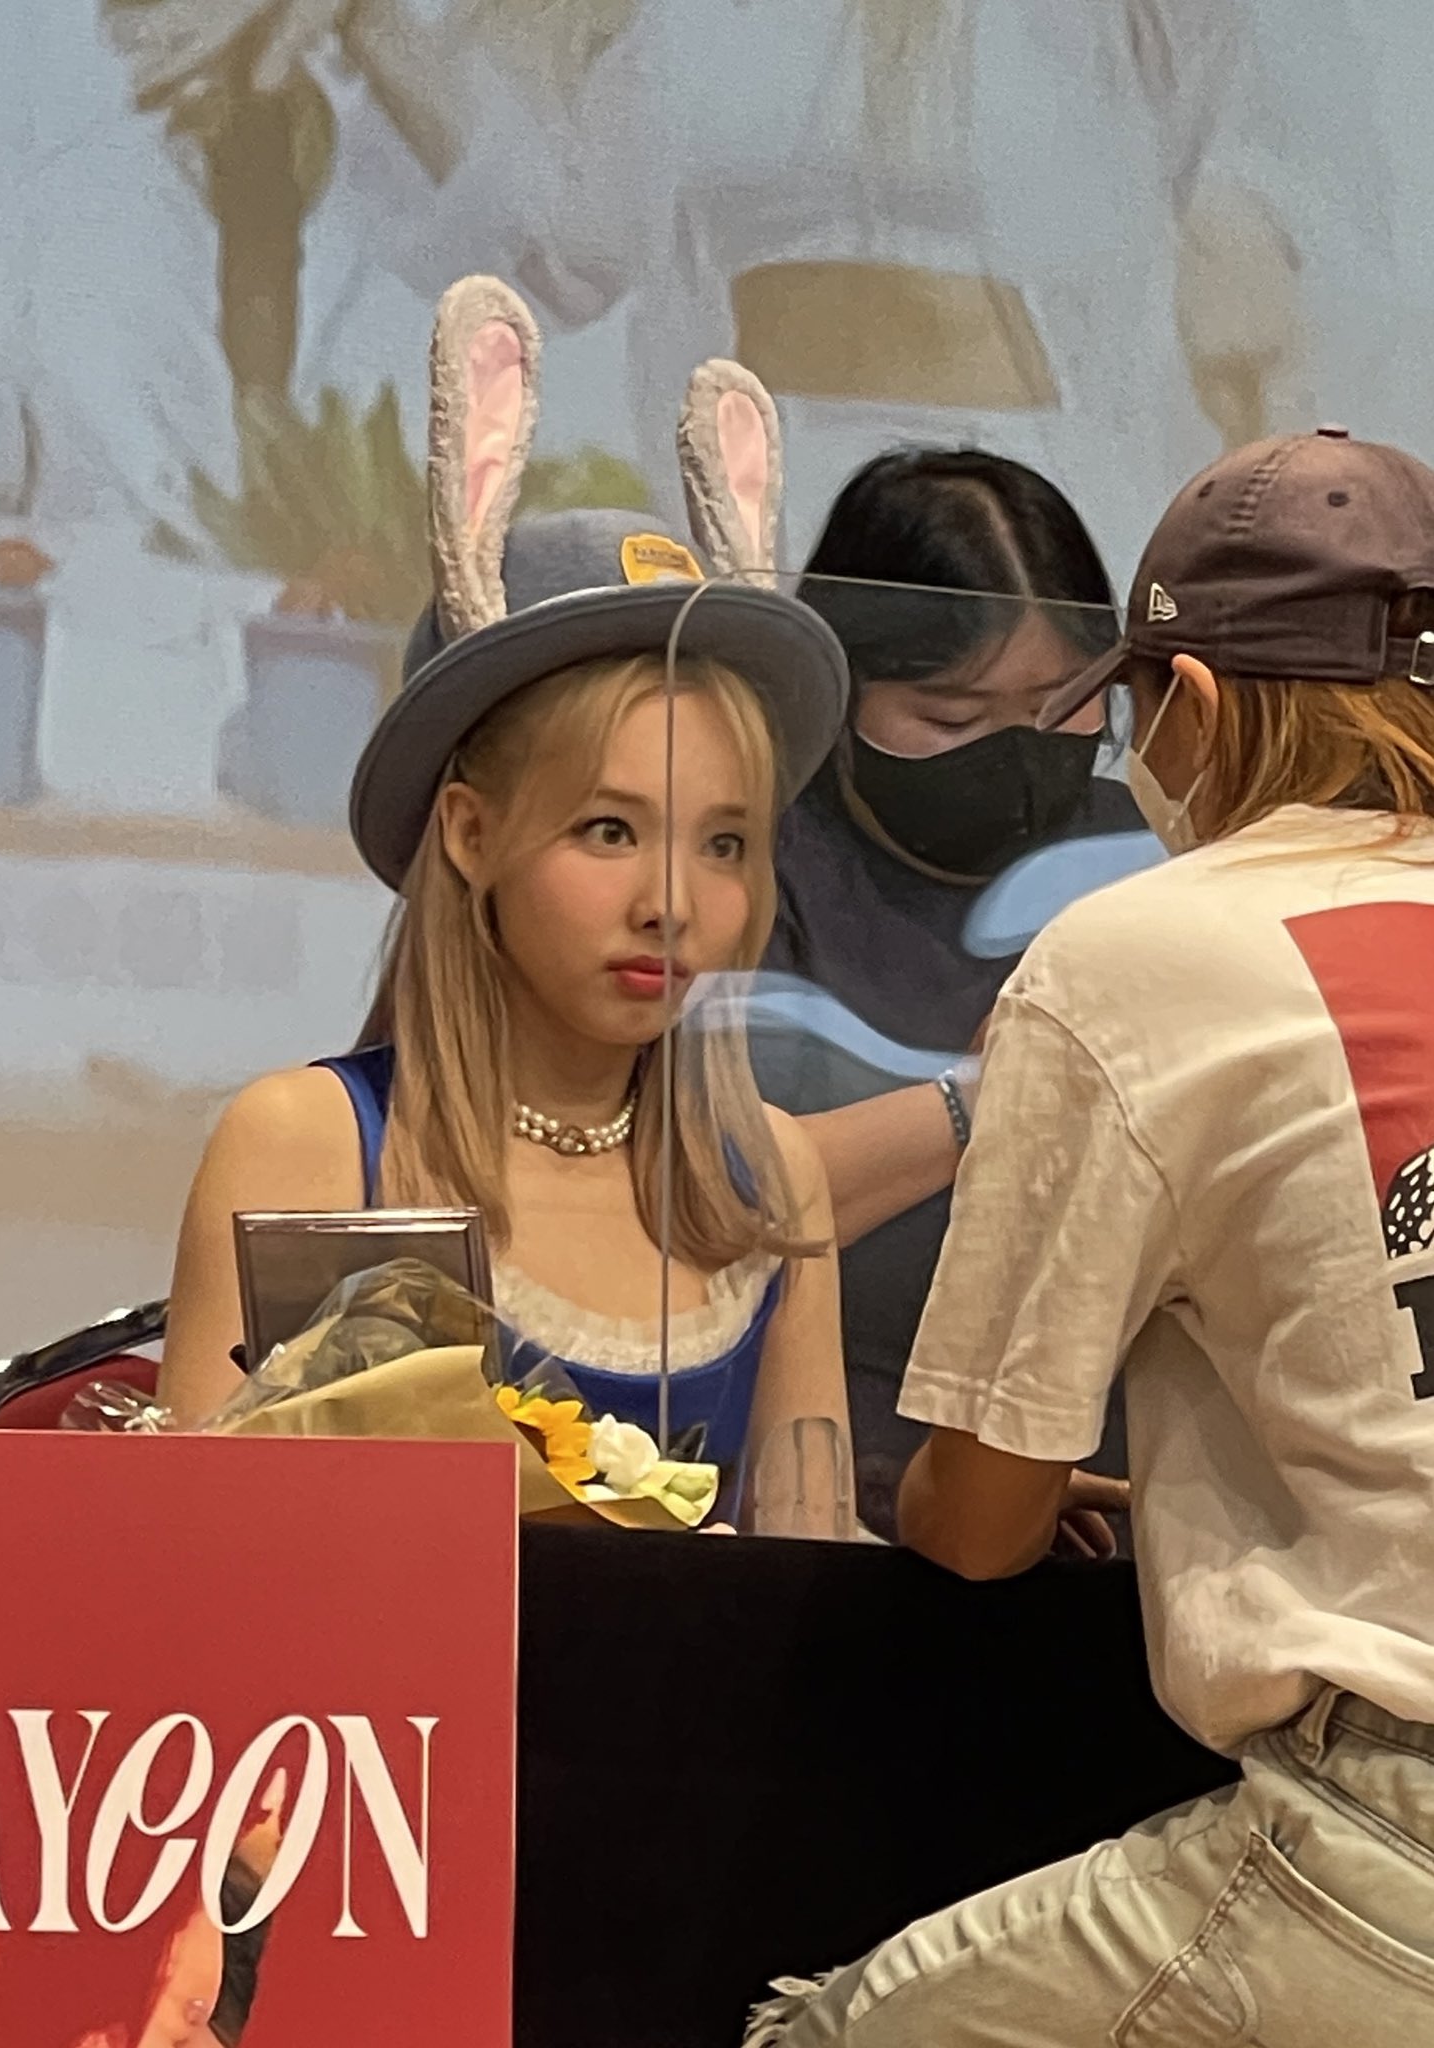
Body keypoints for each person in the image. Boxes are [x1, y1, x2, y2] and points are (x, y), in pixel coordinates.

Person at [746, 427, 1434, 2044]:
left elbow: (980, 1529)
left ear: (1185, 701)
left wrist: (979, 1478)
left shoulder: (1134, 950)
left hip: (1384, 1834)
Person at [159, 277, 851, 1515]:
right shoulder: (308, 1142)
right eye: (608, 829)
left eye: (725, 843)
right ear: (469, 830)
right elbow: (199, 1558)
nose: (672, 902)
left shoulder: (767, 1176)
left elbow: (811, 1556)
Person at [758, 447, 1143, 1535]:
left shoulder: (1140, 861)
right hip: (837, 1500)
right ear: (836, 690)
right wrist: (990, 1097)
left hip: (1123, 1505)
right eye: (950, 718)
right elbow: (715, 1205)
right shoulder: (755, 868)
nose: (1015, 752)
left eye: (1061, 706)